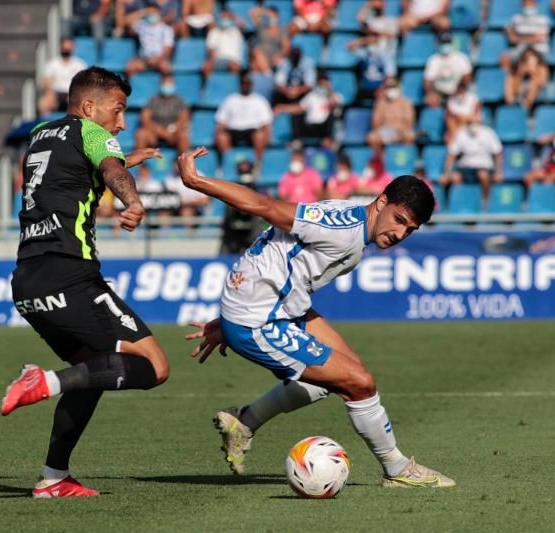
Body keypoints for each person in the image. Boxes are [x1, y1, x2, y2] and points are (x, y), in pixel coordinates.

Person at [177, 147, 455, 488]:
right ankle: (397, 470)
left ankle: (245, 421)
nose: (400, 234)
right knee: (359, 383)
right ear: (381, 203)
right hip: (260, 319)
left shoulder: (355, 223)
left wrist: (231, 312)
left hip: (270, 305)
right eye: (399, 220)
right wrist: (195, 181)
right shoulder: (342, 228)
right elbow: (264, 208)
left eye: (409, 230)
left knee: (346, 371)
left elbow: (280, 254)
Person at [0, 66, 171, 498]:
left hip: (27, 281)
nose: (122, 122)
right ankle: (43, 381)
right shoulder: (93, 132)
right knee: (153, 367)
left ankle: (54, 478)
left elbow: (77, 168)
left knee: (92, 370)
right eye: (118, 110)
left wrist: (128, 159)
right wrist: (132, 199)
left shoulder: (41, 133)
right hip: (70, 273)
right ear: (89, 107)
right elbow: (109, 168)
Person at [440, 109, 503, 201]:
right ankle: (462, 202)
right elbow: (451, 155)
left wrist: (498, 172)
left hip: (484, 166)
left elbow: (498, 153)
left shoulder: (489, 133)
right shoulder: (461, 133)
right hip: (466, 167)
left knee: (483, 175)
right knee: (455, 178)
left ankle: (485, 200)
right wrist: (447, 173)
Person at [214, 72, 273, 165]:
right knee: (221, 136)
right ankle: (227, 164)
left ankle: (258, 164)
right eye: (243, 83)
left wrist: (268, 137)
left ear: (251, 84)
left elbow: (266, 123)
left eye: (248, 83)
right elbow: (221, 121)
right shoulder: (230, 99)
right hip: (233, 131)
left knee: (259, 135)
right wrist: (219, 131)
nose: (245, 85)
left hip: (252, 131)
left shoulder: (260, 100)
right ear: (240, 84)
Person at [274, 72, 343, 149]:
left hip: (323, 128)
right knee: (295, 115)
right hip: (310, 127)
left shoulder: (336, 96)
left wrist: (329, 92)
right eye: (321, 84)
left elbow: (336, 106)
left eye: (325, 84)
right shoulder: (311, 96)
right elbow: (299, 108)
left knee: (333, 116)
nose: (323, 86)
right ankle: (297, 141)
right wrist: (281, 107)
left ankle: (328, 140)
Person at [134, 74, 190, 152]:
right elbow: (145, 119)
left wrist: (172, 130)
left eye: (170, 83)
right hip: (154, 134)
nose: (168, 86)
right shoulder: (153, 100)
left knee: (183, 135)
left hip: (173, 134)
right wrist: (160, 131)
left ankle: (182, 161)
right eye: (166, 83)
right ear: (161, 84)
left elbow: (184, 119)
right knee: (141, 134)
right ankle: (140, 163)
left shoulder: (180, 100)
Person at [38, 38, 88, 116]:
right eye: (65, 46)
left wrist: (74, 94)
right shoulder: (52, 63)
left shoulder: (80, 64)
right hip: (56, 94)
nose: (66, 48)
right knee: (44, 103)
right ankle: (45, 123)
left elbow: (84, 83)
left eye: (69, 46)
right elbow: (46, 81)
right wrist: (49, 93)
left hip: (72, 93)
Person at [423, 32, 472, 108]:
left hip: (457, 89)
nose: (445, 46)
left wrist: (460, 89)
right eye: (443, 43)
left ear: (452, 44)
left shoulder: (461, 58)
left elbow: (467, 78)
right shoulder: (434, 60)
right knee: (430, 101)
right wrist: (431, 93)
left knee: (465, 101)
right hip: (439, 92)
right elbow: (427, 81)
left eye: (447, 43)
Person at [367, 77, 416, 152]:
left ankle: (404, 159)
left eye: (394, 87)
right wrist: (382, 131)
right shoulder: (381, 103)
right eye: (389, 87)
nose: (391, 90)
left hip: (401, 130)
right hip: (385, 131)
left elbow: (409, 121)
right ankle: (381, 159)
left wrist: (400, 132)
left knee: (410, 136)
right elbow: (375, 122)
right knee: (372, 137)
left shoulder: (406, 102)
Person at [125, 5, 174, 77]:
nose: (152, 14)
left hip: (160, 59)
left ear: (159, 13)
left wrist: (157, 59)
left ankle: (166, 87)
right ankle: (131, 87)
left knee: (166, 68)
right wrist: (144, 12)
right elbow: (127, 20)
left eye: (154, 12)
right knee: (130, 67)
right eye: (150, 12)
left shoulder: (166, 29)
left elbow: (168, 49)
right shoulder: (142, 25)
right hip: (144, 59)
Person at [202, 7, 244, 78]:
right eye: (223, 17)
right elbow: (210, 49)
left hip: (232, 60)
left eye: (227, 17)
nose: (225, 19)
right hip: (217, 60)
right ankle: (208, 86)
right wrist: (211, 60)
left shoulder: (236, 31)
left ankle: (233, 86)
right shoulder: (214, 32)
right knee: (206, 67)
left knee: (235, 67)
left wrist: (234, 17)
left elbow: (242, 25)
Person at [249, 5, 290, 76]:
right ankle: (268, 74)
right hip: (262, 56)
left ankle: (268, 76)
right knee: (257, 53)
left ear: (277, 16)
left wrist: (279, 56)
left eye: (273, 15)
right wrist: (264, 12)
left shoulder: (282, 30)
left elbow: (286, 47)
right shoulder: (262, 27)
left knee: (257, 64)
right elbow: (252, 12)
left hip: (275, 56)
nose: (271, 17)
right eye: (269, 16)